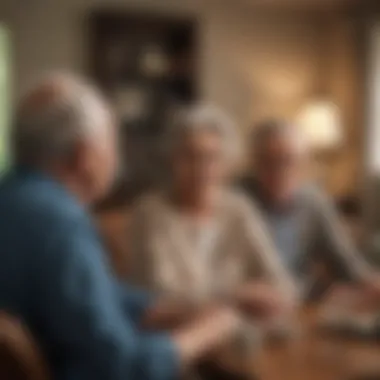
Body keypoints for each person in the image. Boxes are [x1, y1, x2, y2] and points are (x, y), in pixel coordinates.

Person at [0, 73, 250, 380]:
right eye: (112, 142)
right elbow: (121, 366)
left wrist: (162, 311)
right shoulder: (62, 224)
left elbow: (88, 299)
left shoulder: (13, 199)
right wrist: (205, 331)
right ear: (85, 156)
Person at [128, 105, 297, 311]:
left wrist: (270, 295)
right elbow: (161, 296)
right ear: (173, 160)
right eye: (190, 156)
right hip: (176, 337)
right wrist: (236, 295)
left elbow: (282, 284)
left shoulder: (239, 208)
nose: (202, 168)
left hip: (239, 332)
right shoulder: (149, 213)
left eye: (212, 158)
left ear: (226, 163)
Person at [241, 119, 379, 297]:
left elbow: (345, 262)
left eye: (288, 160)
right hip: (249, 302)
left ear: (302, 163)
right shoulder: (238, 203)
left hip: (299, 303)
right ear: (254, 163)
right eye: (269, 161)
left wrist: (371, 282)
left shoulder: (313, 202)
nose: (279, 170)